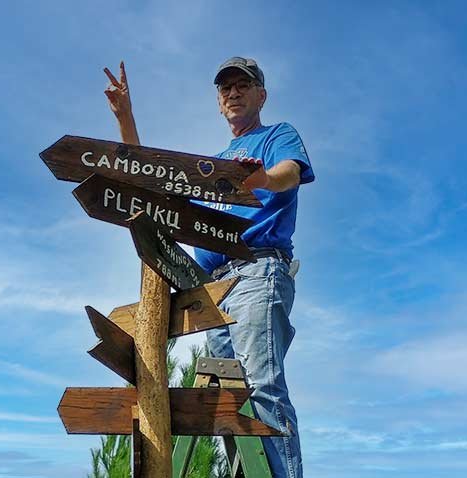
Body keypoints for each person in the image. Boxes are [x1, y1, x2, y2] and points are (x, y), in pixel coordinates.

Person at [104, 57, 314, 478]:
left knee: (261, 385)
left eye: (242, 85)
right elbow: (150, 181)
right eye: (225, 88)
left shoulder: (276, 135)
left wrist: (262, 180)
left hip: (256, 271)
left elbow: (289, 173)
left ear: (261, 95)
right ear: (219, 103)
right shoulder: (212, 165)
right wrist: (126, 118)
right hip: (210, 290)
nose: (233, 92)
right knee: (224, 397)